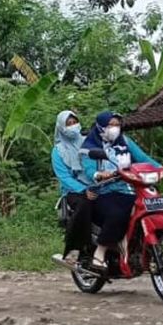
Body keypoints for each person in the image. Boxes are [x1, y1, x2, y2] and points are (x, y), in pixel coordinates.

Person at [80, 112, 163, 272]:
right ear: (101, 126)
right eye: (110, 125)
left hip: (131, 188)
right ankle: (100, 252)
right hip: (104, 191)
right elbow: (88, 169)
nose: (114, 128)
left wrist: (162, 168)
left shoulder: (125, 142)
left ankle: (144, 248)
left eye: (117, 125)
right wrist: (99, 175)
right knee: (118, 213)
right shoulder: (89, 147)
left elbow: (143, 158)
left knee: (149, 206)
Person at [50, 110, 95, 265]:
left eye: (74, 122)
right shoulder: (58, 151)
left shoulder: (89, 142)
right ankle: (74, 249)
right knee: (84, 204)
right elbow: (64, 177)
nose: (73, 126)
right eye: (68, 124)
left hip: (98, 184)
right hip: (74, 190)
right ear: (61, 128)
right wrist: (83, 189)